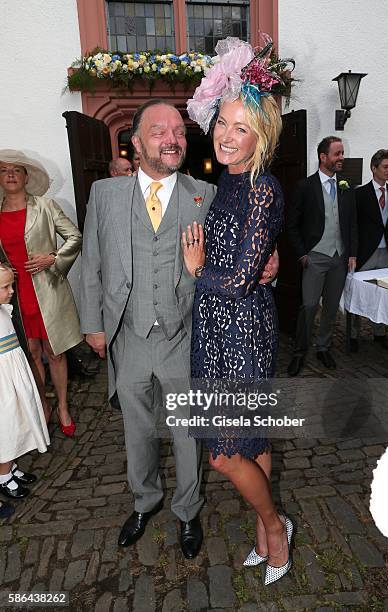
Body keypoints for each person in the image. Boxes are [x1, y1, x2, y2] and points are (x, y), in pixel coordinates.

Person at [80, 98, 278, 559]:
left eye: (178, 132)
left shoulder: (205, 193)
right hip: (127, 336)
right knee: (137, 430)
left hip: (186, 335)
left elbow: (246, 245)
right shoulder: (104, 195)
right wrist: (93, 324)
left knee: (188, 430)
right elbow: (90, 262)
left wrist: (272, 263)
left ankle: (188, 509)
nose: (172, 140)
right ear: (134, 142)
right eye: (159, 132)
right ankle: (145, 501)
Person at [185, 36, 293, 586]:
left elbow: (236, 281)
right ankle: (261, 529)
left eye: (241, 128)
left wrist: (197, 269)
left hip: (242, 330)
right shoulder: (224, 182)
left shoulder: (261, 189)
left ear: (261, 136)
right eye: (223, 123)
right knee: (253, 442)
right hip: (215, 327)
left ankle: (276, 526)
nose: (227, 135)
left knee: (223, 455)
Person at [0, 150, 82, 436]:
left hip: (48, 291)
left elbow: (74, 237)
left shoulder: (45, 207)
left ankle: (62, 406)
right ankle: (41, 407)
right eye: (4, 170)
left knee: (54, 352)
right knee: (30, 352)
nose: (10, 174)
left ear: (26, 177)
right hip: (14, 297)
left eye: (16, 170)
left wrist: (52, 257)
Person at [287, 137, 357, 376]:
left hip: (339, 258)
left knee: (330, 308)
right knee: (308, 306)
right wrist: (302, 254)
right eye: (337, 154)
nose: (341, 158)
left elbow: (352, 224)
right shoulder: (305, 187)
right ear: (323, 157)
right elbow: (292, 224)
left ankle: (323, 346)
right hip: (315, 256)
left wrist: (352, 254)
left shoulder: (346, 187)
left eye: (342, 153)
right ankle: (299, 352)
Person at [0, 264, 49, 501]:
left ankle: (11, 467)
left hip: (14, 376)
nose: (11, 291)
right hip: (3, 383)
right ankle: (3, 476)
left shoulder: (4, 310)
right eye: (5, 287)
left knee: (20, 420)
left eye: (11, 285)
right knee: (7, 426)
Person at [350, 149, 388, 352]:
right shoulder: (359, 194)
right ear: (374, 168)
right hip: (365, 252)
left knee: (383, 294)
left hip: (385, 252)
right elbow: (353, 226)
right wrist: (352, 253)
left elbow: (386, 224)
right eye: (385, 167)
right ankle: (352, 334)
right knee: (358, 293)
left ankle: (379, 333)